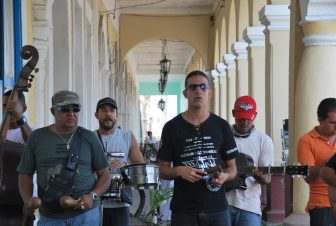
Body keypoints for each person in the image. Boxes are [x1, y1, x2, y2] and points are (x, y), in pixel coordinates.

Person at [17, 90, 110, 226]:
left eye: (75, 108)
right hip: (50, 216)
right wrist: (27, 200)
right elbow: (25, 173)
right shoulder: (36, 137)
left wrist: (93, 196)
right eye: (65, 108)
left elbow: (105, 174)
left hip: (86, 215)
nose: (71, 113)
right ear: (53, 111)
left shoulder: (90, 137)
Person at [157, 70, 238, 226]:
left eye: (203, 87)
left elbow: (232, 167)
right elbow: (162, 169)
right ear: (186, 93)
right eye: (193, 87)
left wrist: (225, 177)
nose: (198, 91)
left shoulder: (221, 126)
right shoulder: (172, 127)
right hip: (184, 210)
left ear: (209, 93)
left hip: (217, 209)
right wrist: (179, 170)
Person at [95, 97, 144, 226]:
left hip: (120, 203)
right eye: (103, 110)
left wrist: (125, 166)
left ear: (117, 115)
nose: (108, 114)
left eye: (112, 110)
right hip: (95, 202)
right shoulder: (90, 138)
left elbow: (140, 167)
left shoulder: (127, 137)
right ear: (96, 115)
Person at [226, 95, 274, 226]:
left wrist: (261, 177)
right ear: (233, 113)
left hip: (250, 206)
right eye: (241, 118)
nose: (245, 122)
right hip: (221, 204)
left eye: (249, 118)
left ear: (255, 115)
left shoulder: (264, 141)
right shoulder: (223, 135)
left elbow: (267, 179)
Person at [297, 97, 336, 226]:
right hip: (322, 204)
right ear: (320, 120)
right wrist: (331, 161)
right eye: (333, 122)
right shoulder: (307, 140)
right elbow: (307, 177)